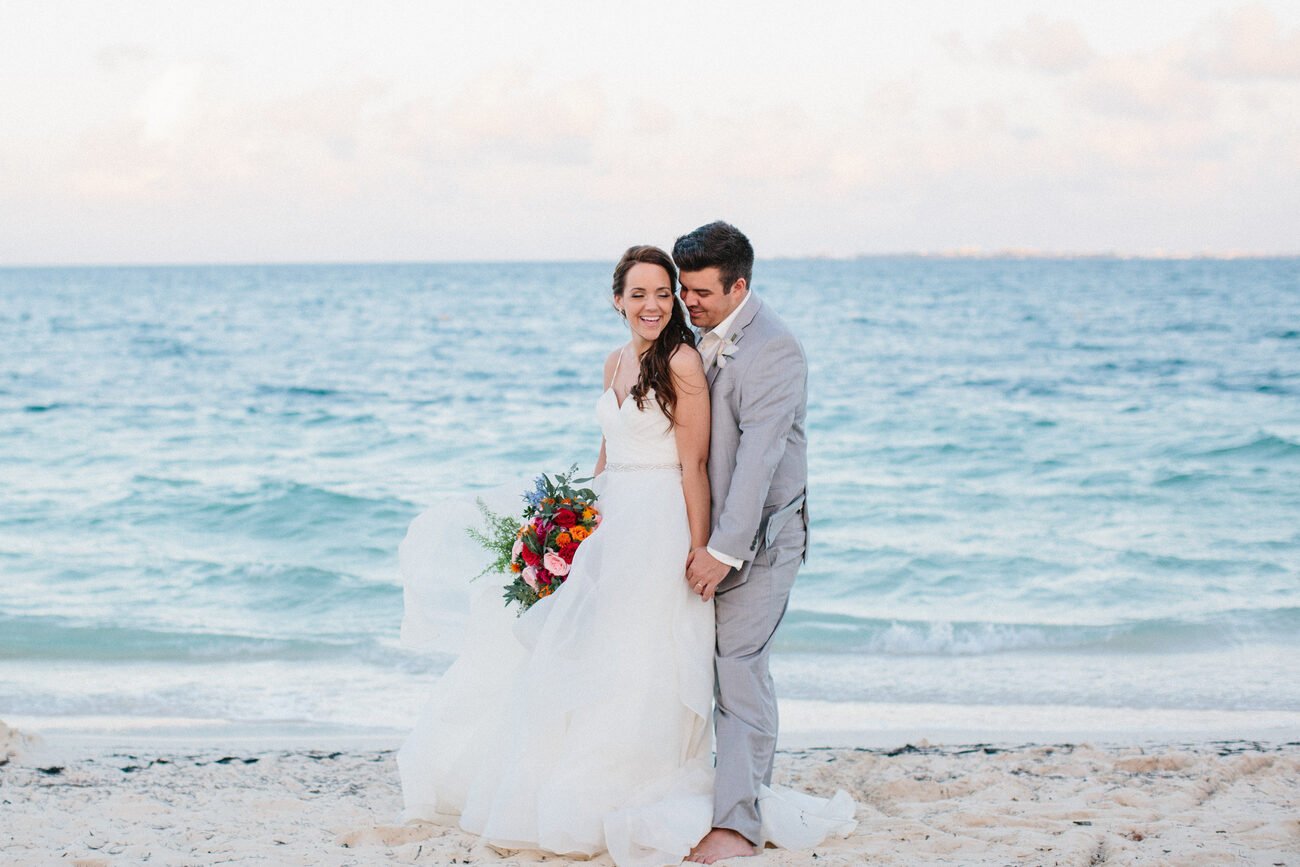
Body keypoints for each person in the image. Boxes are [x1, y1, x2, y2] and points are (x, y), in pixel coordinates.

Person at [397, 244, 854, 867]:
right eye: (641, 293)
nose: (658, 304)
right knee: (597, 652)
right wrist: (577, 525)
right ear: (617, 299)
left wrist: (703, 549)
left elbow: (696, 466)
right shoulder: (612, 363)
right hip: (616, 522)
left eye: (665, 293)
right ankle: (584, 787)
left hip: (662, 525)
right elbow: (607, 452)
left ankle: (676, 798)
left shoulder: (686, 363)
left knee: (650, 659)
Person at [675, 222, 812, 864]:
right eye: (684, 289)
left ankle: (737, 825)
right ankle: (723, 798)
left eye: (701, 292)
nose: (688, 302)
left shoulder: (774, 350)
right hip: (708, 536)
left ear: (740, 286)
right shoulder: (696, 339)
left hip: (760, 542)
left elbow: (758, 460)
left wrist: (722, 551)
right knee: (702, 669)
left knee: (739, 673)